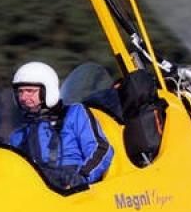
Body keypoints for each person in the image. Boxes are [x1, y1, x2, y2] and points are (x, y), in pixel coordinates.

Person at [9, 61, 113, 190]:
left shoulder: (74, 114)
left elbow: (101, 149)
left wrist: (81, 177)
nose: (24, 97)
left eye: (30, 91)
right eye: (20, 92)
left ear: (48, 91)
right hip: (39, 192)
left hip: (74, 189)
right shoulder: (19, 135)